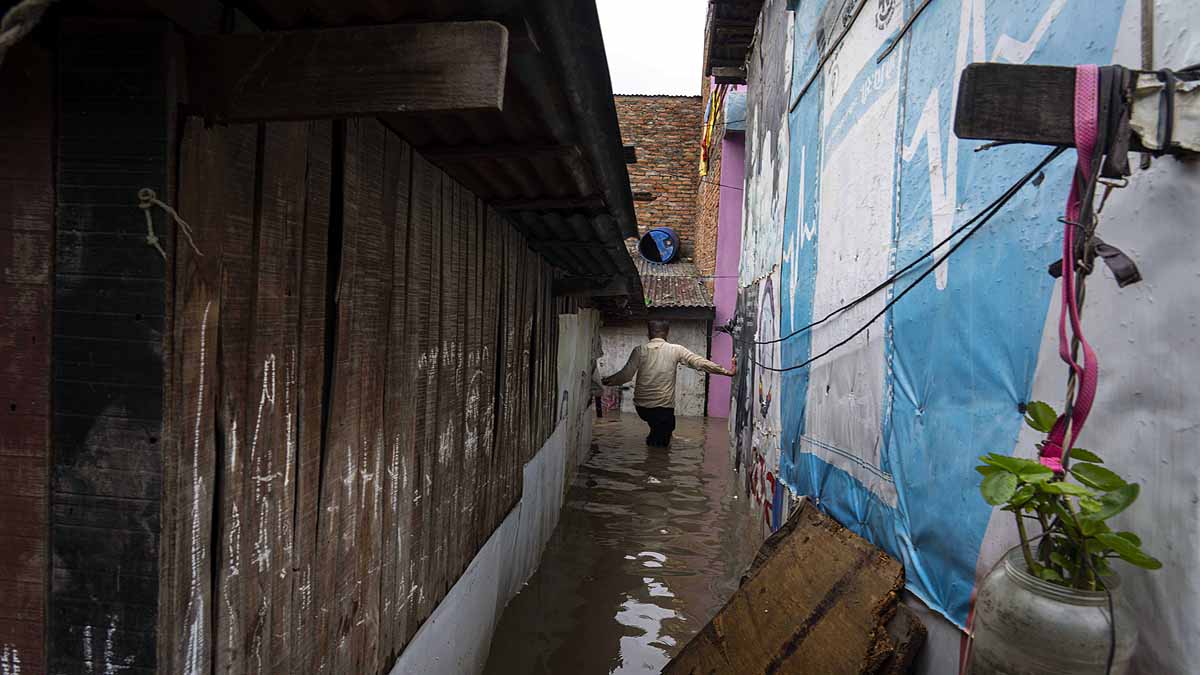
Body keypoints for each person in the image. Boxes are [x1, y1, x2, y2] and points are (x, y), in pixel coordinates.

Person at [602, 320, 736, 447]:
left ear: (648, 333)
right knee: (662, 442)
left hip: (642, 408)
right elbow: (699, 362)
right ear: (667, 333)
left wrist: (606, 381)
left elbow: (625, 375)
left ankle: (654, 450)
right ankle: (656, 460)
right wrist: (726, 372)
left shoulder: (640, 350)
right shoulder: (675, 349)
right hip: (663, 408)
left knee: (659, 430)